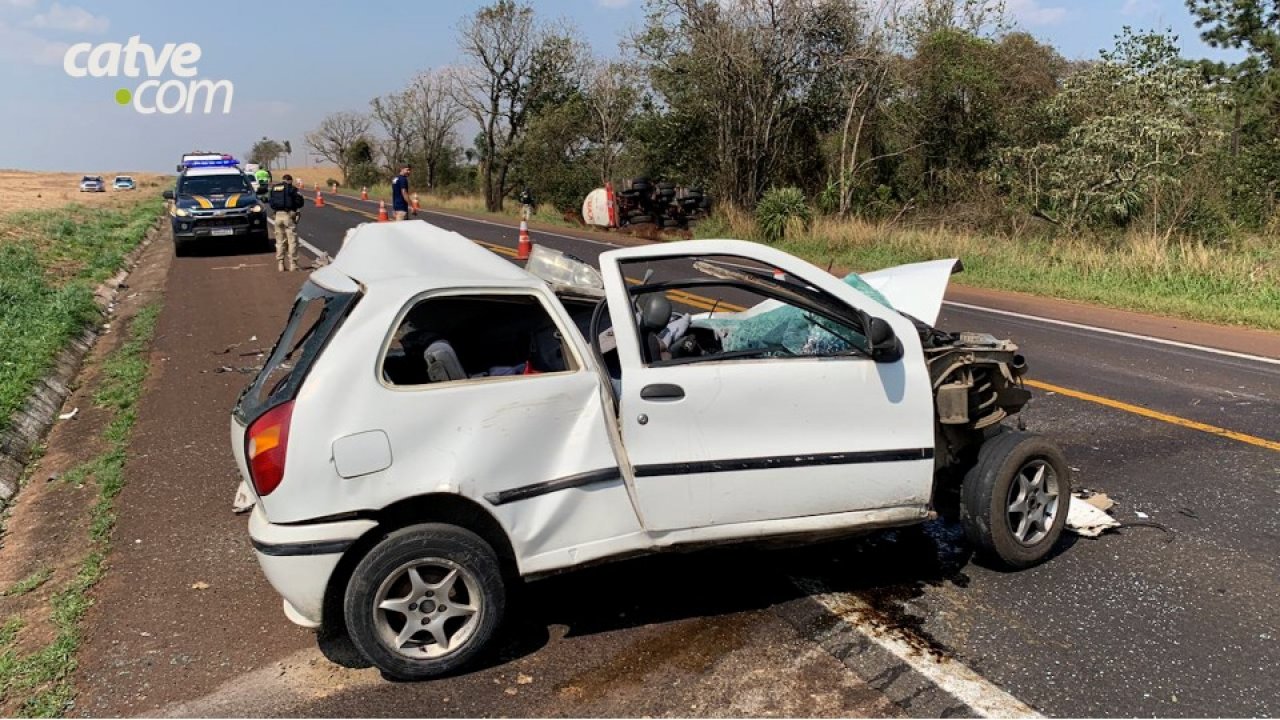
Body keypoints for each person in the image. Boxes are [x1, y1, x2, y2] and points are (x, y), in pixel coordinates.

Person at [267, 174, 305, 271]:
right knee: (292, 241)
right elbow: (300, 202)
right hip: (288, 216)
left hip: (277, 216)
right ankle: (293, 264)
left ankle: (281, 264)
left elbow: (270, 202)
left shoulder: (274, 188)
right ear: (290, 180)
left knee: (280, 241)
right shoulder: (292, 188)